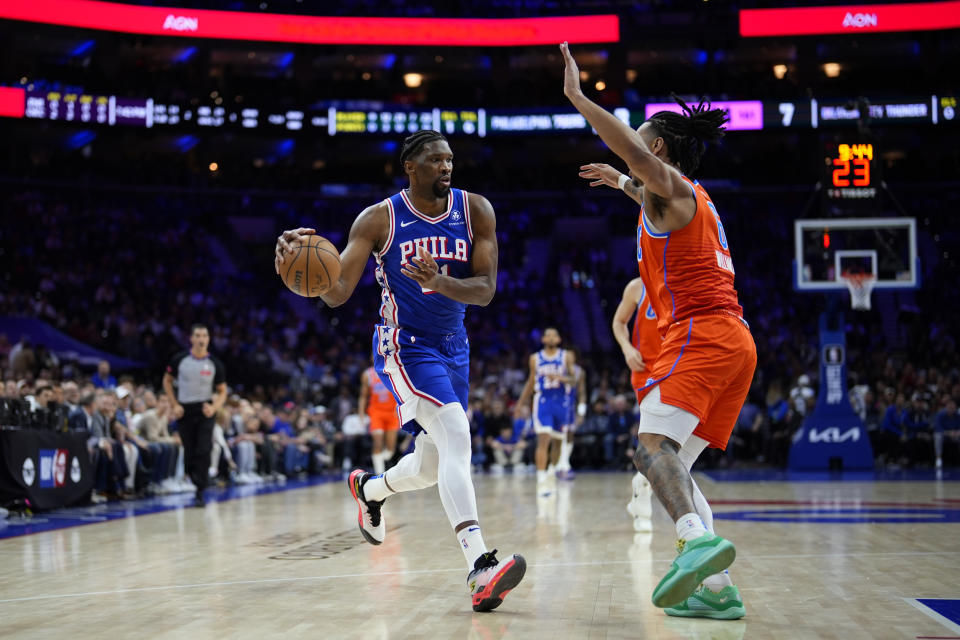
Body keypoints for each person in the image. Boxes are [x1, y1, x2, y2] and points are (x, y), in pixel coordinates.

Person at [274, 130, 525, 612]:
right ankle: (480, 567)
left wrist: (439, 281)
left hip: (456, 347)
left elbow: (486, 290)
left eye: (450, 159)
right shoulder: (378, 219)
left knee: (432, 467)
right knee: (456, 432)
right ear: (411, 167)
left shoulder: (476, 211)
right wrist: (305, 279)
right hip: (405, 347)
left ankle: (369, 489)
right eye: (435, 160)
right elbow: (338, 292)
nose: (447, 167)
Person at [563, 42, 755, 619]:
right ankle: (718, 593)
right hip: (734, 342)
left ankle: (695, 541)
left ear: (659, 151)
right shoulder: (684, 201)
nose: (633, 157)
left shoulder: (670, 185)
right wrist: (620, 183)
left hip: (700, 334)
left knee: (651, 450)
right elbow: (645, 191)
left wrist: (578, 97)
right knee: (674, 467)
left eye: (641, 147)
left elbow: (633, 155)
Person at [611, 276, 663, 532]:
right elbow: (619, 322)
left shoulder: (684, 279)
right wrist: (627, 349)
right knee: (655, 437)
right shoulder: (637, 286)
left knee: (670, 443)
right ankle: (643, 500)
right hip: (647, 368)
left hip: (679, 366)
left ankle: (641, 484)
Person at [163, 324, 227, 507]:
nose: (201, 339)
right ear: (191, 338)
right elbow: (166, 381)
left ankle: (201, 489)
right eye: (198, 335)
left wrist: (214, 408)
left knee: (204, 448)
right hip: (184, 409)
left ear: (208, 339)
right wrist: (174, 404)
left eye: (205, 335)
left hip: (205, 409)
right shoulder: (180, 359)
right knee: (190, 450)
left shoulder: (215, 363)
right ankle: (193, 477)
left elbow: (223, 391)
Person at [515, 328, 576, 497]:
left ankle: (551, 474)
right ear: (543, 339)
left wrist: (561, 378)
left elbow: (574, 379)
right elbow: (530, 382)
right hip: (543, 402)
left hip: (561, 402)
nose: (550, 337)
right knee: (543, 439)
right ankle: (541, 481)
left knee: (557, 442)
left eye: (554, 335)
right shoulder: (535, 358)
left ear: (558, 339)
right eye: (547, 335)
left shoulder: (566, 356)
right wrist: (520, 404)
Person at [358, 363, 400, 474]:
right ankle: (379, 473)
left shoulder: (394, 368)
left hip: (392, 413)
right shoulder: (368, 374)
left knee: (391, 450)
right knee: (378, 443)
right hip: (376, 413)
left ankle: (381, 459)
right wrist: (361, 414)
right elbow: (363, 396)